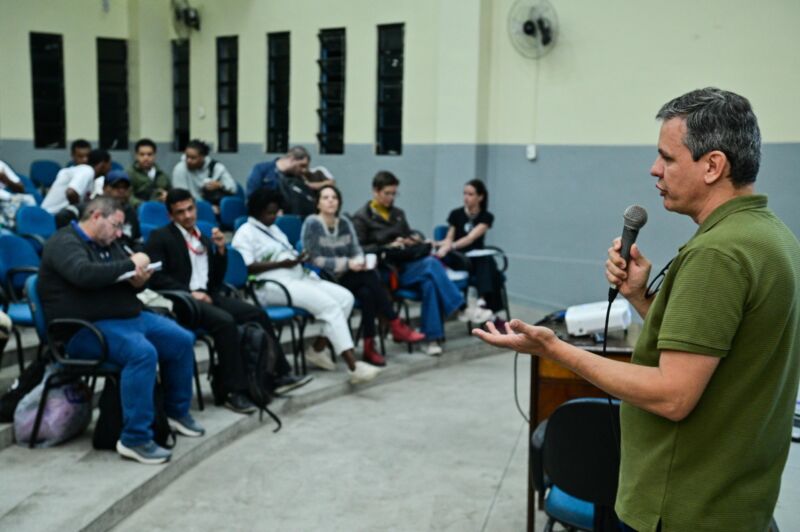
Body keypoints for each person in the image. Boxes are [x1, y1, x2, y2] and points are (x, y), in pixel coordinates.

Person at [475, 88, 800, 532]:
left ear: (712, 165)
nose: (654, 169)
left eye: (667, 158)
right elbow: (717, 352)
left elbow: (673, 394)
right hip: (736, 501)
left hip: (682, 509)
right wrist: (640, 298)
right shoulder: (771, 237)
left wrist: (554, 349)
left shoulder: (719, 254)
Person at [38, 196, 205, 465]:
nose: (119, 233)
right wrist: (132, 264)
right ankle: (135, 439)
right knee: (142, 353)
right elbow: (84, 274)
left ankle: (175, 412)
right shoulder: (64, 242)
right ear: (95, 217)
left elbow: (123, 278)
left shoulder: (110, 244)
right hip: (84, 330)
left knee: (181, 340)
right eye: (115, 226)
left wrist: (139, 280)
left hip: (127, 318)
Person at [145, 188, 311, 410]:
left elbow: (215, 279)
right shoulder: (161, 237)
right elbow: (157, 278)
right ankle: (234, 391)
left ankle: (279, 374)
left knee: (257, 313)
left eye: (190, 209)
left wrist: (221, 251)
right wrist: (189, 292)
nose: (187, 216)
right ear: (171, 215)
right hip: (183, 300)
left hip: (208, 294)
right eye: (180, 212)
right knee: (225, 323)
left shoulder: (202, 238)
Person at [231, 188, 380, 383]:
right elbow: (245, 267)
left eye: (276, 212)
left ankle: (318, 349)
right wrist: (282, 264)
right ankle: (353, 366)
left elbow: (288, 253)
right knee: (330, 306)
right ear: (256, 211)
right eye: (269, 212)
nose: (274, 216)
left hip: (296, 276)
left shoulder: (274, 230)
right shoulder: (245, 233)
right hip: (271, 285)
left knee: (345, 298)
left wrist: (299, 258)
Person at [301, 185, 425, 366]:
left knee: (368, 292)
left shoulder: (344, 222)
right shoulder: (312, 223)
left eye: (334, 197)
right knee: (369, 279)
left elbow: (357, 250)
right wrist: (346, 263)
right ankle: (394, 323)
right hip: (324, 279)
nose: (330, 201)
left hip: (348, 276)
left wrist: (359, 261)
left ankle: (370, 346)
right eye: (325, 197)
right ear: (318, 203)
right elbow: (312, 258)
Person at [352, 171, 464, 356]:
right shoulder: (361, 217)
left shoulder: (398, 213)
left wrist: (414, 239)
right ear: (375, 191)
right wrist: (387, 246)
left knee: (429, 282)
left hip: (406, 263)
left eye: (394, 193)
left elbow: (410, 233)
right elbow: (361, 249)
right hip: (386, 271)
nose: (391, 197)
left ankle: (430, 339)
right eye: (387, 193)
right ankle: (460, 307)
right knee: (431, 265)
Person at [435, 179, 502, 326]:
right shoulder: (455, 214)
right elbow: (449, 238)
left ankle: (482, 304)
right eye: (465, 193)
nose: (466, 197)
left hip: (475, 256)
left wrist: (450, 246)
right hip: (458, 257)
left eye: (470, 194)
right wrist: (443, 245)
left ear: (480, 197)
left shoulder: (486, 217)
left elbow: (471, 238)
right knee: (490, 265)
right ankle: (486, 307)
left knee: (487, 261)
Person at [41, 149, 111, 227]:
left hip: (58, 217)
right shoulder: (87, 170)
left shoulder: (92, 179)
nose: (110, 168)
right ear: (103, 164)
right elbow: (71, 192)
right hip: (49, 217)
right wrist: (80, 212)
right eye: (109, 164)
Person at [171, 139, 236, 206]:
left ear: (203, 157)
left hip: (212, 205)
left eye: (193, 158)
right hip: (189, 207)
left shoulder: (216, 167)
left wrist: (219, 185)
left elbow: (233, 188)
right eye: (187, 156)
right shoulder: (180, 169)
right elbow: (180, 196)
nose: (188, 161)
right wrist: (207, 208)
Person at [100, 170, 141, 250]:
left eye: (125, 187)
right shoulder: (94, 210)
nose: (121, 191)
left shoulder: (130, 212)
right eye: (116, 187)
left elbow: (137, 240)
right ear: (104, 188)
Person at [128, 138, 171, 206]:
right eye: (142, 154)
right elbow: (128, 197)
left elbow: (171, 193)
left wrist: (167, 196)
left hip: (160, 209)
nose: (146, 158)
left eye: (149, 154)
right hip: (138, 211)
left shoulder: (162, 175)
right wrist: (146, 206)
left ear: (154, 155)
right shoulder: (129, 174)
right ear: (136, 156)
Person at [0, 159, 37, 229]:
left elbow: (21, 188)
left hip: (8, 201)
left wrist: (5, 178)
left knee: (29, 200)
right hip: (5, 200)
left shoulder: (1, 165)